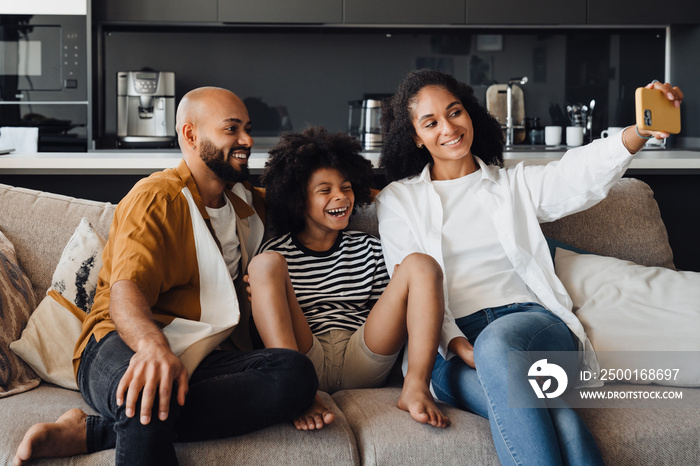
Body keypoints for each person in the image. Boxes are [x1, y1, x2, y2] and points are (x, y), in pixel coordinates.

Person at [375, 69, 683, 466]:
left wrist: (639, 131)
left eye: (455, 113)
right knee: (563, 422)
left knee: (498, 344)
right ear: (415, 136)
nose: (448, 128)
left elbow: (579, 175)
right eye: (430, 122)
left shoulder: (513, 185)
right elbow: (412, 284)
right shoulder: (398, 200)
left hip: (531, 326)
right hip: (446, 350)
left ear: (469, 114)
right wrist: (454, 342)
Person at [13, 87, 318, 466]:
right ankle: (128, 413)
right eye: (232, 129)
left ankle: (92, 432)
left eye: (248, 129)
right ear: (190, 135)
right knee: (147, 392)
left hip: (200, 355)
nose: (248, 140)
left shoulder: (247, 202)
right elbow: (126, 291)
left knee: (296, 373)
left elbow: (313, 196)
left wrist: (379, 193)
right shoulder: (155, 197)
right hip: (120, 342)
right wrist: (152, 349)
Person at [245, 126, 449, 431]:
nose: (340, 197)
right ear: (298, 199)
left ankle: (416, 386)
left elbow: (390, 310)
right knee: (263, 265)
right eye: (324, 190)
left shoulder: (368, 247)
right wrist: (263, 284)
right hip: (304, 356)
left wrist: (404, 287)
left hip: (363, 353)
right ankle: (293, 390)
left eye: (347, 187)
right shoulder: (276, 250)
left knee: (421, 265)